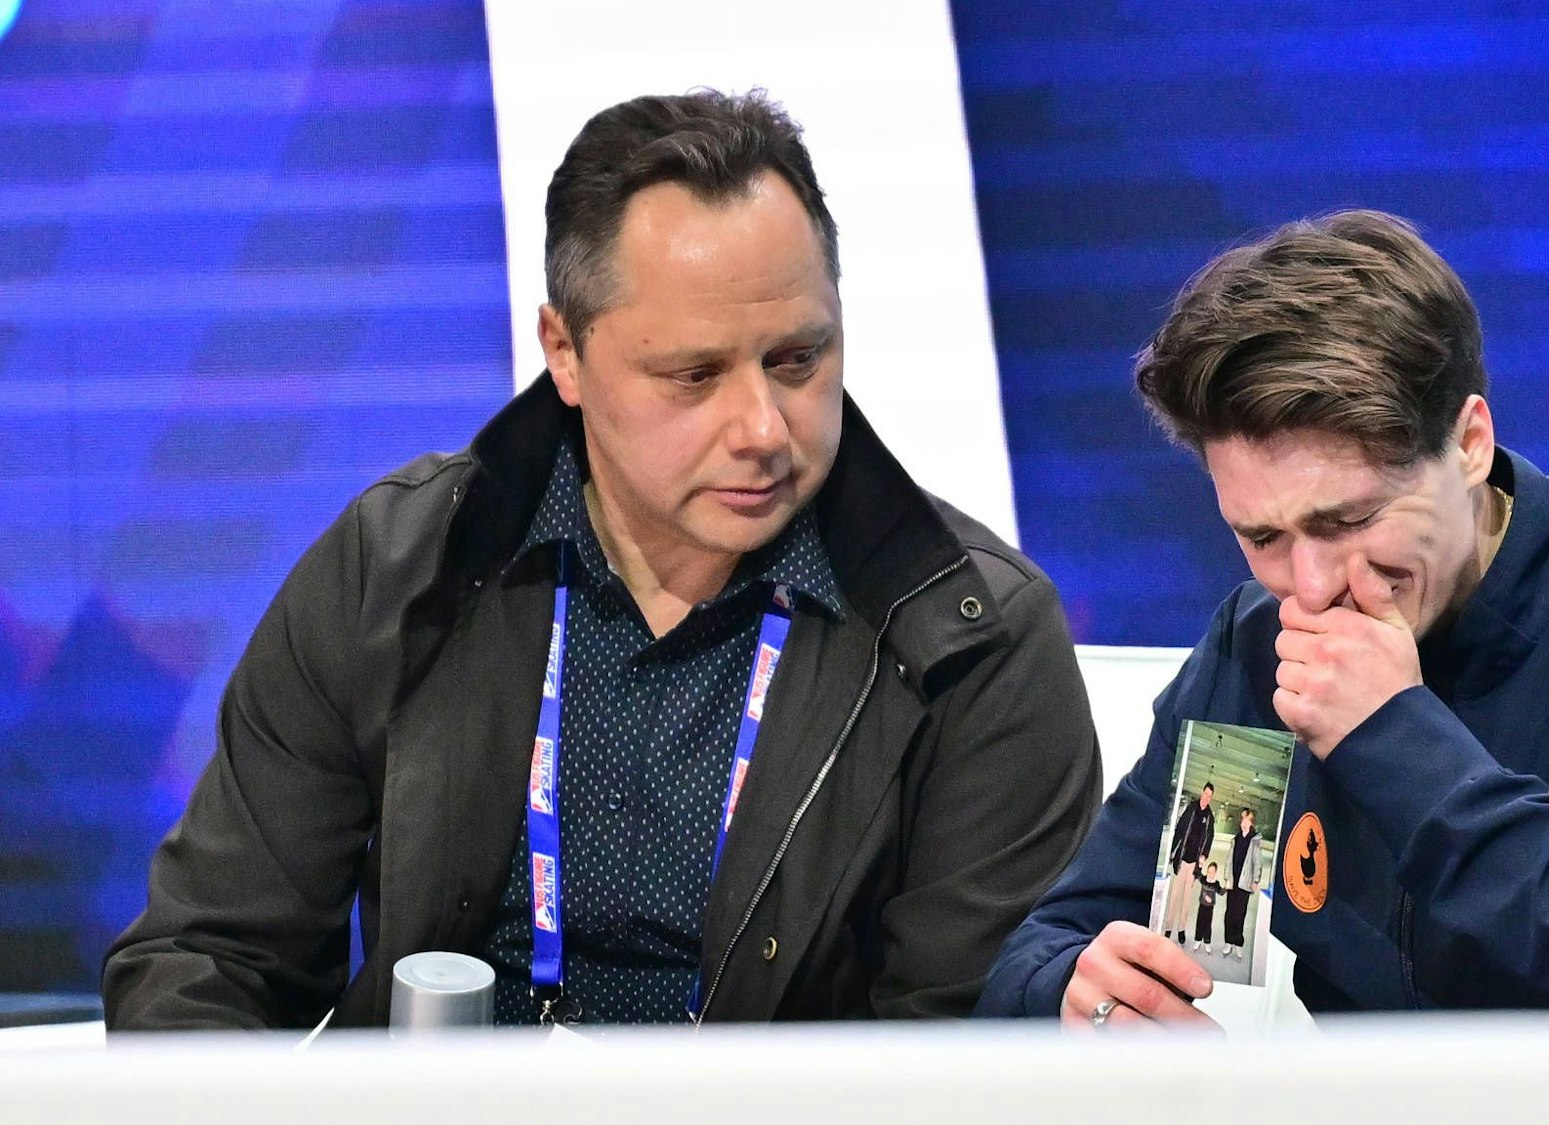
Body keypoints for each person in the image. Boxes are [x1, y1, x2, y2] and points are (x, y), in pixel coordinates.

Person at [103, 90, 1102, 1029]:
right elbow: (210, 957)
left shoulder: (973, 642)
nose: (761, 428)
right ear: (564, 353)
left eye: (797, 359)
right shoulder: (398, 566)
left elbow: (965, 1063)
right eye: (693, 375)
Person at [977, 210, 1549, 1028]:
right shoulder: (1260, 655)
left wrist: (1398, 742)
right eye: (1260, 536)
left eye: (1349, 520)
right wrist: (1074, 991)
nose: (1311, 586)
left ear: (1468, 443)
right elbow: (1061, 941)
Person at [1161, 783, 1214, 945]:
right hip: (1182, 859)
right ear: (1202, 792)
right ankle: (1169, 927)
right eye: (1205, 794)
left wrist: (1204, 855)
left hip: (1194, 865)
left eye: (1210, 796)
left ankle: (1181, 929)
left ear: (1211, 797)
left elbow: (1209, 839)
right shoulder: (1191, 809)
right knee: (1175, 894)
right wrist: (1172, 851)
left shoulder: (1210, 817)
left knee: (1186, 899)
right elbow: (1179, 829)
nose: (1206, 798)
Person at [1221, 809, 1262, 960]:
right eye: (1243, 819)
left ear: (1251, 823)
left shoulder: (1255, 840)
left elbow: (1257, 862)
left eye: (1247, 820)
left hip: (1245, 883)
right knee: (1229, 913)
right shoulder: (1235, 839)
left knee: (1240, 914)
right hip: (1233, 881)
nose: (1244, 822)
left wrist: (1255, 880)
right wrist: (1226, 877)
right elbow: (1228, 860)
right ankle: (1228, 941)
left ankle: (1238, 942)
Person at [1193, 862, 1221, 953]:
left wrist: (1227, 887)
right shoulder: (1204, 879)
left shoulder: (1216, 884)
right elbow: (1197, 874)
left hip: (1210, 908)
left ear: (1215, 873)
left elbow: (1221, 892)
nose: (1210, 874)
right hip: (1202, 905)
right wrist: (1200, 867)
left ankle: (1207, 942)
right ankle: (1198, 940)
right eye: (1208, 872)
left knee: (1207, 924)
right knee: (1199, 922)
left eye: (1212, 872)